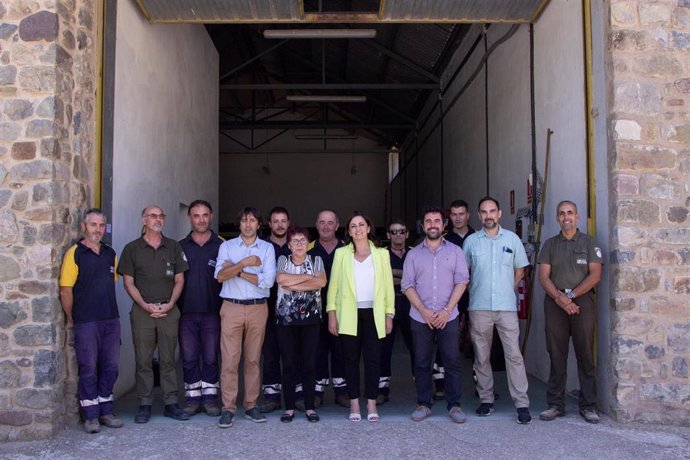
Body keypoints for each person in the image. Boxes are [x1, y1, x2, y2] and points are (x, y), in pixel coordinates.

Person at [463, 196, 532, 424]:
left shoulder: (512, 239)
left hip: (506, 308)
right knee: (482, 357)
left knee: (514, 355)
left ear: (500, 213)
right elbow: (463, 274)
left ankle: (521, 403)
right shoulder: (471, 242)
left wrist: (507, 288)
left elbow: (520, 269)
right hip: (479, 307)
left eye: (492, 211)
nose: (488, 215)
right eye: (484, 212)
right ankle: (486, 400)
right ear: (479, 215)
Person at [119, 205, 190, 423]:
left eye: (161, 216)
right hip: (142, 312)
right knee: (143, 360)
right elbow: (128, 282)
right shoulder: (132, 248)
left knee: (169, 359)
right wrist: (145, 305)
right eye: (153, 216)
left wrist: (169, 304)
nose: (158, 219)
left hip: (169, 311)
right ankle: (144, 403)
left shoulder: (174, 247)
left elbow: (180, 279)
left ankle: (170, 403)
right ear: (144, 220)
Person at [402, 207, 469, 424]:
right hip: (420, 317)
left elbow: (462, 282)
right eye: (428, 221)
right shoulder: (413, 254)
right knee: (421, 362)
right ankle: (424, 403)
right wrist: (424, 311)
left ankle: (454, 405)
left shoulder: (455, 252)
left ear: (443, 225)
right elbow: (407, 285)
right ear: (423, 225)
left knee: (452, 361)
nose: (432, 224)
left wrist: (447, 311)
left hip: (448, 316)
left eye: (437, 221)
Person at [538, 200, 603, 424]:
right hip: (555, 302)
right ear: (557, 218)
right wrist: (561, 299)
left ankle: (588, 406)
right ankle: (556, 405)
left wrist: (571, 297)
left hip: (582, 302)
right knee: (556, 354)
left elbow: (595, 275)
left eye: (570, 213)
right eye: (561, 214)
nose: (566, 217)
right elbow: (544, 277)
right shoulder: (549, 245)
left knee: (585, 353)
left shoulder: (589, 243)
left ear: (577, 216)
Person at [59, 208, 123, 434]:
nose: (97, 229)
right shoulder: (74, 253)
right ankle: (91, 416)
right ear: (84, 227)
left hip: (110, 320)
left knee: (111, 367)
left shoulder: (110, 253)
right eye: (93, 225)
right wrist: (73, 317)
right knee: (88, 369)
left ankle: (106, 411)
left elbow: (111, 283)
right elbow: (66, 290)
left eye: (101, 225)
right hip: (86, 322)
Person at [327, 212, 395, 422]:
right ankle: (354, 403)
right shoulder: (341, 254)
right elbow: (334, 286)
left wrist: (389, 314)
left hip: (374, 314)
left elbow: (388, 287)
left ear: (368, 228)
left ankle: (372, 403)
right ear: (348, 231)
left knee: (374, 360)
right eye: (353, 226)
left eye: (361, 225)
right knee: (350, 360)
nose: (357, 229)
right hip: (348, 314)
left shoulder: (382, 254)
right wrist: (331, 314)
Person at [214, 207, 276, 428]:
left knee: (253, 359)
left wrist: (236, 271)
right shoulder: (226, 246)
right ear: (238, 224)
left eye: (252, 220)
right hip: (231, 307)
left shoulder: (267, 249)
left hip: (258, 308)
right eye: (244, 220)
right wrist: (245, 264)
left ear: (259, 224)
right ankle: (228, 408)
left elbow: (267, 282)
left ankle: (251, 405)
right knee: (230, 360)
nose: (248, 224)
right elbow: (221, 276)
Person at [275, 227, 326, 423]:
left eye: (302, 240)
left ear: (308, 243)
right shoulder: (282, 260)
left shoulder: (316, 260)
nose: (298, 244)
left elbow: (321, 282)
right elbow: (280, 279)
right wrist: (309, 279)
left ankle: (310, 407)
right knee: (288, 365)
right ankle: (288, 408)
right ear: (288, 245)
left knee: (309, 364)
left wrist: (293, 284)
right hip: (285, 321)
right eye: (294, 241)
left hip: (311, 320)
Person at [178, 200, 223, 417]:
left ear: (211, 216)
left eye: (205, 215)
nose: (201, 220)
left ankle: (210, 400)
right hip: (185, 312)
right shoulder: (179, 247)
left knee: (211, 356)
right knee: (188, 358)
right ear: (190, 218)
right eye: (196, 215)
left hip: (213, 312)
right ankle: (192, 399)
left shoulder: (222, 246)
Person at [308, 209, 349, 408]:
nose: (326, 226)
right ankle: (317, 392)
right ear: (316, 225)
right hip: (314, 311)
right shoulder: (307, 250)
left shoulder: (348, 250)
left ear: (337, 225)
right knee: (317, 352)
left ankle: (341, 392)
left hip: (342, 311)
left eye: (330, 222)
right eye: (322, 222)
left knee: (341, 351)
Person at [377, 219, 415, 405]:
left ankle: (422, 388)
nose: (398, 235)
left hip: (411, 306)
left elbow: (418, 280)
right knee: (384, 349)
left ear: (407, 234)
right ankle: (382, 390)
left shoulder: (415, 254)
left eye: (401, 231)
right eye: (394, 232)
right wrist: (406, 276)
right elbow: (381, 280)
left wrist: (393, 274)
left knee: (417, 348)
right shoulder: (380, 255)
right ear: (388, 235)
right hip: (387, 307)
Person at [259, 206, 291, 413]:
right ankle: (271, 397)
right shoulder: (261, 247)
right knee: (269, 354)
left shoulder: (297, 245)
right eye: (275, 221)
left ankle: (293, 395)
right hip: (266, 308)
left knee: (292, 354)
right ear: (269, 224)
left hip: (292, 310)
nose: (280, 224)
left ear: (288, 223)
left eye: (283, 221)